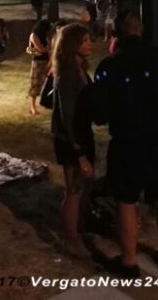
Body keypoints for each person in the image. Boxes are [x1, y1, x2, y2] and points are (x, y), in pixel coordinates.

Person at [92, 10, 158, 275]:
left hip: (127, 142)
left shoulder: (109, 66)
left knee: (127, 201)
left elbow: (100, 115)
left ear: (117, 33)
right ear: (141, 30)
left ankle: (129, 261)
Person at [51, 23, 95, 258]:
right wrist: (80, 153)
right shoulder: (67, 75)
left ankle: (78, 228)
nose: (90, 44)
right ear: (72, 45)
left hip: (82, 134)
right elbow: (67, 116)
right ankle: (70, 238)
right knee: (74, 189)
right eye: (84, 40)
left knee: (84, 185)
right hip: (70, 140)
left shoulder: (79, 69)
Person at [28, 19, 52, 116]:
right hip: (38, 62)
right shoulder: (34, 35)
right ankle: (32, 106)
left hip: (47, 61)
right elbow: (40, 49)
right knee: (35, 84)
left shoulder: (45, 36)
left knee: (47, 82)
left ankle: (45, 102)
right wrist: (49, 49)